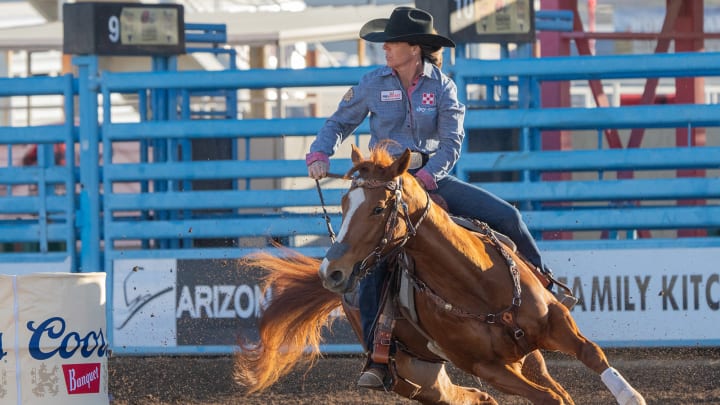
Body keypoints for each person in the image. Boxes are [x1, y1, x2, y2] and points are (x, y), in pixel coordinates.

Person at [306, 6, 572, 390]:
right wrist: (319, 153)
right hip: (387, 186)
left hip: (432, 182)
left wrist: (429, 176)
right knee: (373, 270)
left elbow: (452, 143)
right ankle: (378, 356)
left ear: (414, 49)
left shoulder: (442, 86)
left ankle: (546, 294)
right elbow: (338, 123)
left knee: (508, 216)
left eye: (392, 44)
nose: (386, 50)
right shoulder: (371, 83)